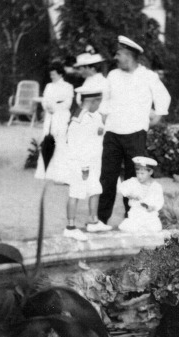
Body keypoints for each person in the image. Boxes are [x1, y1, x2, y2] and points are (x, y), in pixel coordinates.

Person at [97, 35, 171, 225]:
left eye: (119, 53)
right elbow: (105, 101)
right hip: (112, 133)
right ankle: (101, 220)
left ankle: (131, 219)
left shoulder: (148, 76)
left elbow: (163, 97)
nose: (116, 57)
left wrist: (158, 115)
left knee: (134, 178)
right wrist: (103, 120)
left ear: (129, 55)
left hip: (135, 134)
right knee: (107, 178)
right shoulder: (113, 75)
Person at [63, 85, 112, 241]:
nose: (99, 106)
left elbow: (98, 131)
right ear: (93, 101)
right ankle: (70, 227)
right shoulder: (79, 118)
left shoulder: (93, 115)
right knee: (76, 191)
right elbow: (75, 144)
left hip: (93, 160)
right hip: (80, 162)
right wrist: (83, 166)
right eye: (99, 102)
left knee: (95, 188)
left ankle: (93, 221)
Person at [40, 61, 74, 184]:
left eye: (54, 74)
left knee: (60, 142)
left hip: (61, 116)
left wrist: (55, 107)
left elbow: (67, 103)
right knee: (48, 140)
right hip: (50, 117)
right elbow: (44, 100)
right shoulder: (49, 86)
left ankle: (61, 175)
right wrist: (47, 107)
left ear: (60, 74)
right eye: (51, 75)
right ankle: (47, 171)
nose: (52, 77)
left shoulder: (68, 86)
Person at [118, 156, 164, 232]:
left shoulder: (156, 186)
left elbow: (159, 201)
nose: (139, 176)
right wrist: (130, 194)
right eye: (137, 173)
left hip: (150, 216)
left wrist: (153, 207)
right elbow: (122, 188)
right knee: (129, 228)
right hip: (135, 214)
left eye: (142, 173)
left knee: (155, 228)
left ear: (150, 172)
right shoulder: (133, 182)